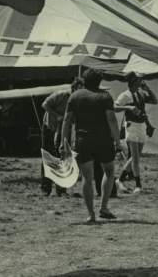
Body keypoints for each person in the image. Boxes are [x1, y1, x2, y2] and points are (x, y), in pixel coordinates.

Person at [62, 69, 120, 223]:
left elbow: (67, 121)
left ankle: (91, 214)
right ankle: (104, 207)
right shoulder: (105, 96)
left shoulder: (75, 96)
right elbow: (112, 120)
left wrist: (63, 141)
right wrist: (118, 141)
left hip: (82, 140)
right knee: (109, 171)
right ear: (99, 82)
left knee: (87, 178)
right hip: (103, 140)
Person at [115, 72, 157, 193]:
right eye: (139, 80)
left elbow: (154, 100)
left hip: (141, 126)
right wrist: (128, 108)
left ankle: (120, 180)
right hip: (132, 126)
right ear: (133, 82)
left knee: (135, 156)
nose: (141, 82)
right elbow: (115, 107)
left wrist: (147, 88)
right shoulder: (125, 95)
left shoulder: (140, 93)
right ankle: (138, 185)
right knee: (136, 157)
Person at [41, 77, 82, 196]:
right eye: (78, 90)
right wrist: (57, 115)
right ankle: (46, 188)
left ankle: (61, 189)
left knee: (64, 158)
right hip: (50, 127)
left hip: (64, 130)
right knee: (48, 156)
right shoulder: (62, 94)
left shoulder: (78, 101)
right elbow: (45, 104)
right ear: (73, 88)